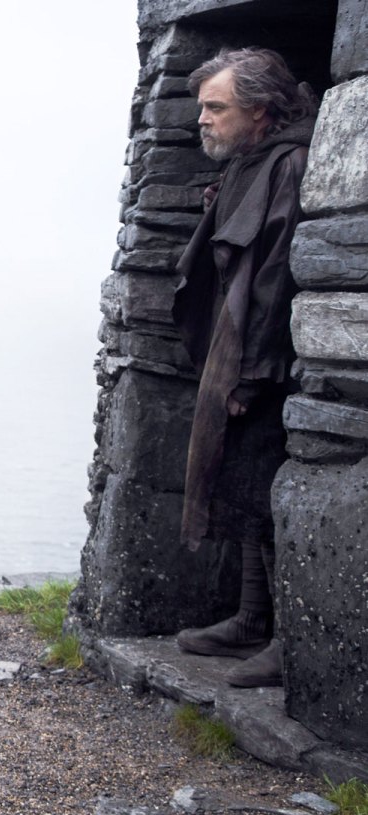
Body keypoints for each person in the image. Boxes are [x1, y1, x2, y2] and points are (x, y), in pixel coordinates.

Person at [171, 48, 315, 688]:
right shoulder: (247, 165)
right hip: (237, 354)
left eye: (216, 107)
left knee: (266, 488)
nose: (202, 119)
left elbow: (278, 274)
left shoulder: (288, 167)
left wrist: (251, 372)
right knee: (243, 485)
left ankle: (293, 637)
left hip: (267, 361)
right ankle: (253, 619)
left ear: (258, 110)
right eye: (203, 107)